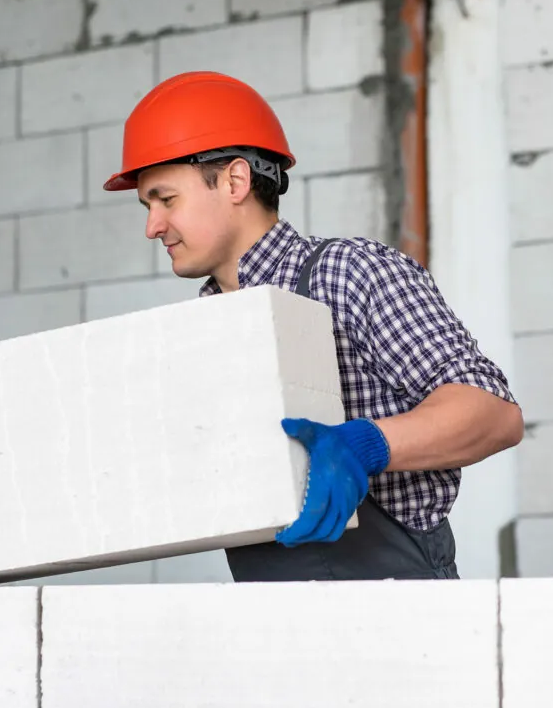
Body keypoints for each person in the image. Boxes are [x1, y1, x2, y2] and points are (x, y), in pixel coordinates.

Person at [103, 71, 524, 583]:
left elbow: (495, 413)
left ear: (235, 182)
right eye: (147, 207)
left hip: (402, 615)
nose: (152, 226)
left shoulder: (349, 272)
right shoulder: (206, 330)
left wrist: (366, 445)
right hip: (279, 627)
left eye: (166, 200)